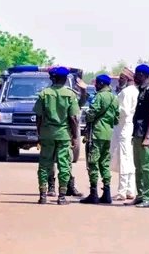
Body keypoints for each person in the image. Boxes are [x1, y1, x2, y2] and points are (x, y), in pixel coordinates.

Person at [34, 67, 80, 205]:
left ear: (53, 78)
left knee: (44, 164)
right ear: (66, 79)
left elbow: (38, 117)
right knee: (64, 165)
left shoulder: (44, 94)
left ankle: (43, 196)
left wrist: (39, 133)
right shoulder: (70, 95)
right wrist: (75, 136)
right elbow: (73, 118)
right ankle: (61, 197)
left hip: (47, 134)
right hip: (63, 135)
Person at [81, 74, 119, 205]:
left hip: (96, 134)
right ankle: (107, 193)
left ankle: (93, 194)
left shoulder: (99, 96)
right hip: (108, 134)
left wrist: (87, 116)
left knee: (93, 162)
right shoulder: (114, 98)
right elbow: (116, 118)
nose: (95, 86)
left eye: (96, 83)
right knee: (105, 163)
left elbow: (92, 113)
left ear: (101, 84)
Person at [131, 64, 149, 208]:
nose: (134, 77)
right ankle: (140, 195)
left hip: (144, 135)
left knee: (146, 167)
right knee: (138, 166)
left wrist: (148, 137)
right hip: (137, 132)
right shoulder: (140, 91)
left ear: (142, 75)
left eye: (136, 74)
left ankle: (148, 197)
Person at [111, 69, 138, 201]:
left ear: (128, 79)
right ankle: (130, 190)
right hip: (129, 127)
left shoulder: (126, 92)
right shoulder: (135, 91)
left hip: (123, 128)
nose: (119, 80)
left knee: (123, 159)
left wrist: (113, 108)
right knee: (129, 159)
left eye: (122, 78)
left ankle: (122, 191)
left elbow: (124, 111)